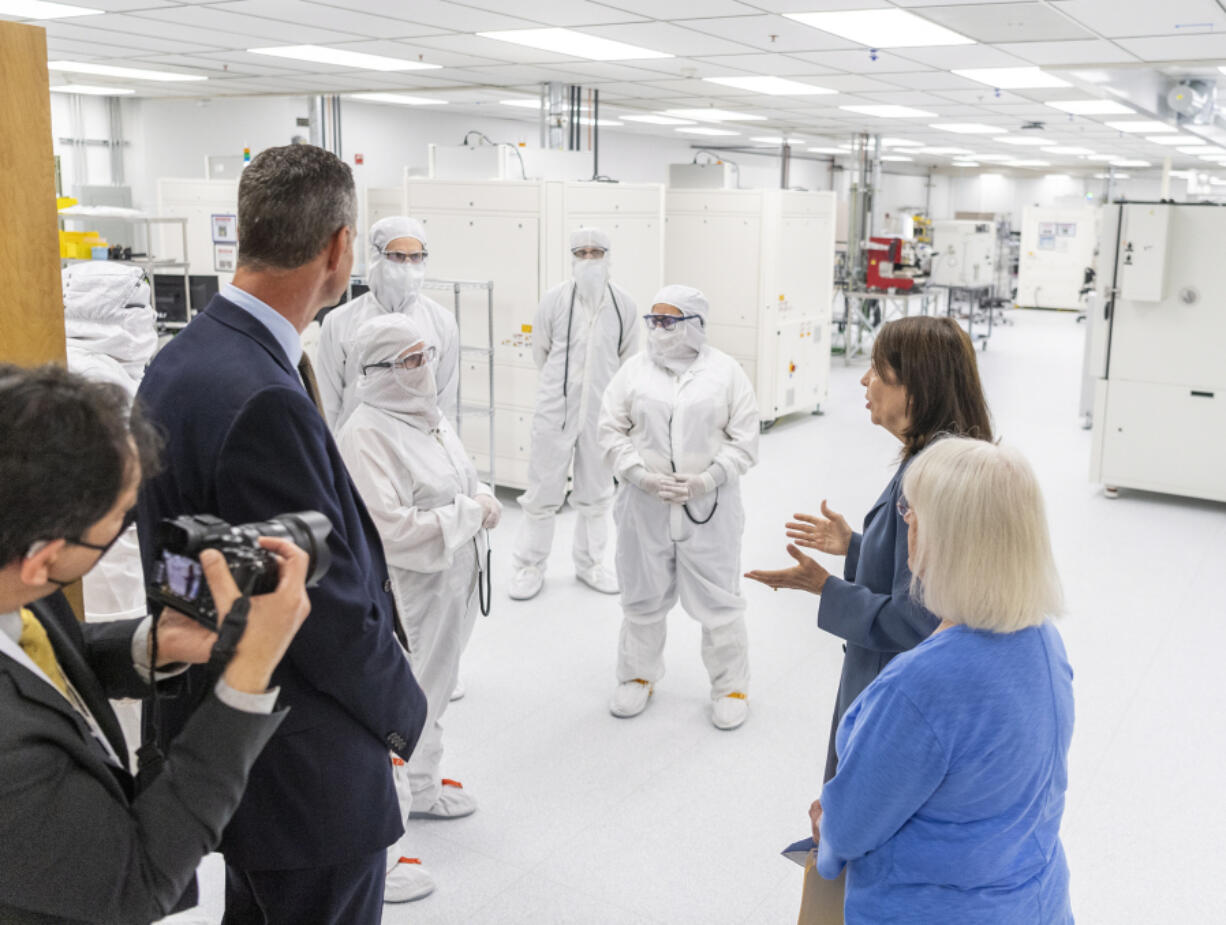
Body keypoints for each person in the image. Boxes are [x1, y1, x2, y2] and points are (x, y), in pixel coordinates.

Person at [136, 145, 428, 924]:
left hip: (238, 745)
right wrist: (405, 708)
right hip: (307, 774)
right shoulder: (261, 393)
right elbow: (320, 607)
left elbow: (186, 566)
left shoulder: (185, 358)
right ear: (339, 247)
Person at [0, 364, 312, 924]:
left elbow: (33, 664)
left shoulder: (15, 572)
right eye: (119, 522)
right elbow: (137, 881)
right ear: (45, 556)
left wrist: (155, 644)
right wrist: (247, 676)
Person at [811, 437, 1073, 922]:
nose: (903, 520)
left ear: (944, 539)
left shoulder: (918, 688)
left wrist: (828, 818)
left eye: (911, 512)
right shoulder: (1043, 642)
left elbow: (846, 830)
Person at [746, 316, 993, 778]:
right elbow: (921, 573)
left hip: (896, 689)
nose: (863, 379)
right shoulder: (945, 459)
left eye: (878, 370)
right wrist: (856, 548)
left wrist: (825, 587)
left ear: (916, 388)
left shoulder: (930, 482)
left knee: (861, 807)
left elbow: (916, 619)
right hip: (907, 683)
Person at [336, 314, 501, 904]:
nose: (423, 369)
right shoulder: (366, 433)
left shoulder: (427, 416)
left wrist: (478, 496)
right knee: (397, 712)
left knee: (435, 691)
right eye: (408, 361)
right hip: (407, 594)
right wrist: (471, 513)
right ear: (375, 371)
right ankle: (379, 850)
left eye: (426, 355)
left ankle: (425, 787)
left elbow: (460, 479)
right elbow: (392, 529)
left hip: (450, 582)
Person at [598, 285, 758, 730]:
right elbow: (609, 428)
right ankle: (636, 676)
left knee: (720, 599)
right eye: (653, 320)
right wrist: (637, 474)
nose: (658, 330)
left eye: (668, 321)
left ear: (695, 324)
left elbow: (746, 439)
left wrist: (709, 478)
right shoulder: (634, 371)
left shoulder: (725, 373)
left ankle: (731, 687)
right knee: (641, 594)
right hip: (642, 506)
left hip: (710, 507)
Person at [508, 228, 638, 601]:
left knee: (597, 493)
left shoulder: (623, 304)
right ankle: (528, 566)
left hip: (602, 413)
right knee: (542, 492)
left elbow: (628, 358)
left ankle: (591, 564)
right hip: (555, 410)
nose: (589, 259)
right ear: (572, 258)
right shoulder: (554, 300)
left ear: (608, 257)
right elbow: (542, 351)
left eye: (596, 252)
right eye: (582, 252)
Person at [62, 261, 160, 754]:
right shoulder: (105, 380)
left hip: (84, 561)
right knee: (122, 705)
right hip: (112, 561)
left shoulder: (69, 357)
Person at [316, 216, 458, 429]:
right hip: (359, 449)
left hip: (419, 448)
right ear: (376, 256)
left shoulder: (442, 323)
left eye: (416, 256)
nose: (408, 266)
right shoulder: (339, 322)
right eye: (398, 256)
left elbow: (445, 406)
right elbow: (327, 404)